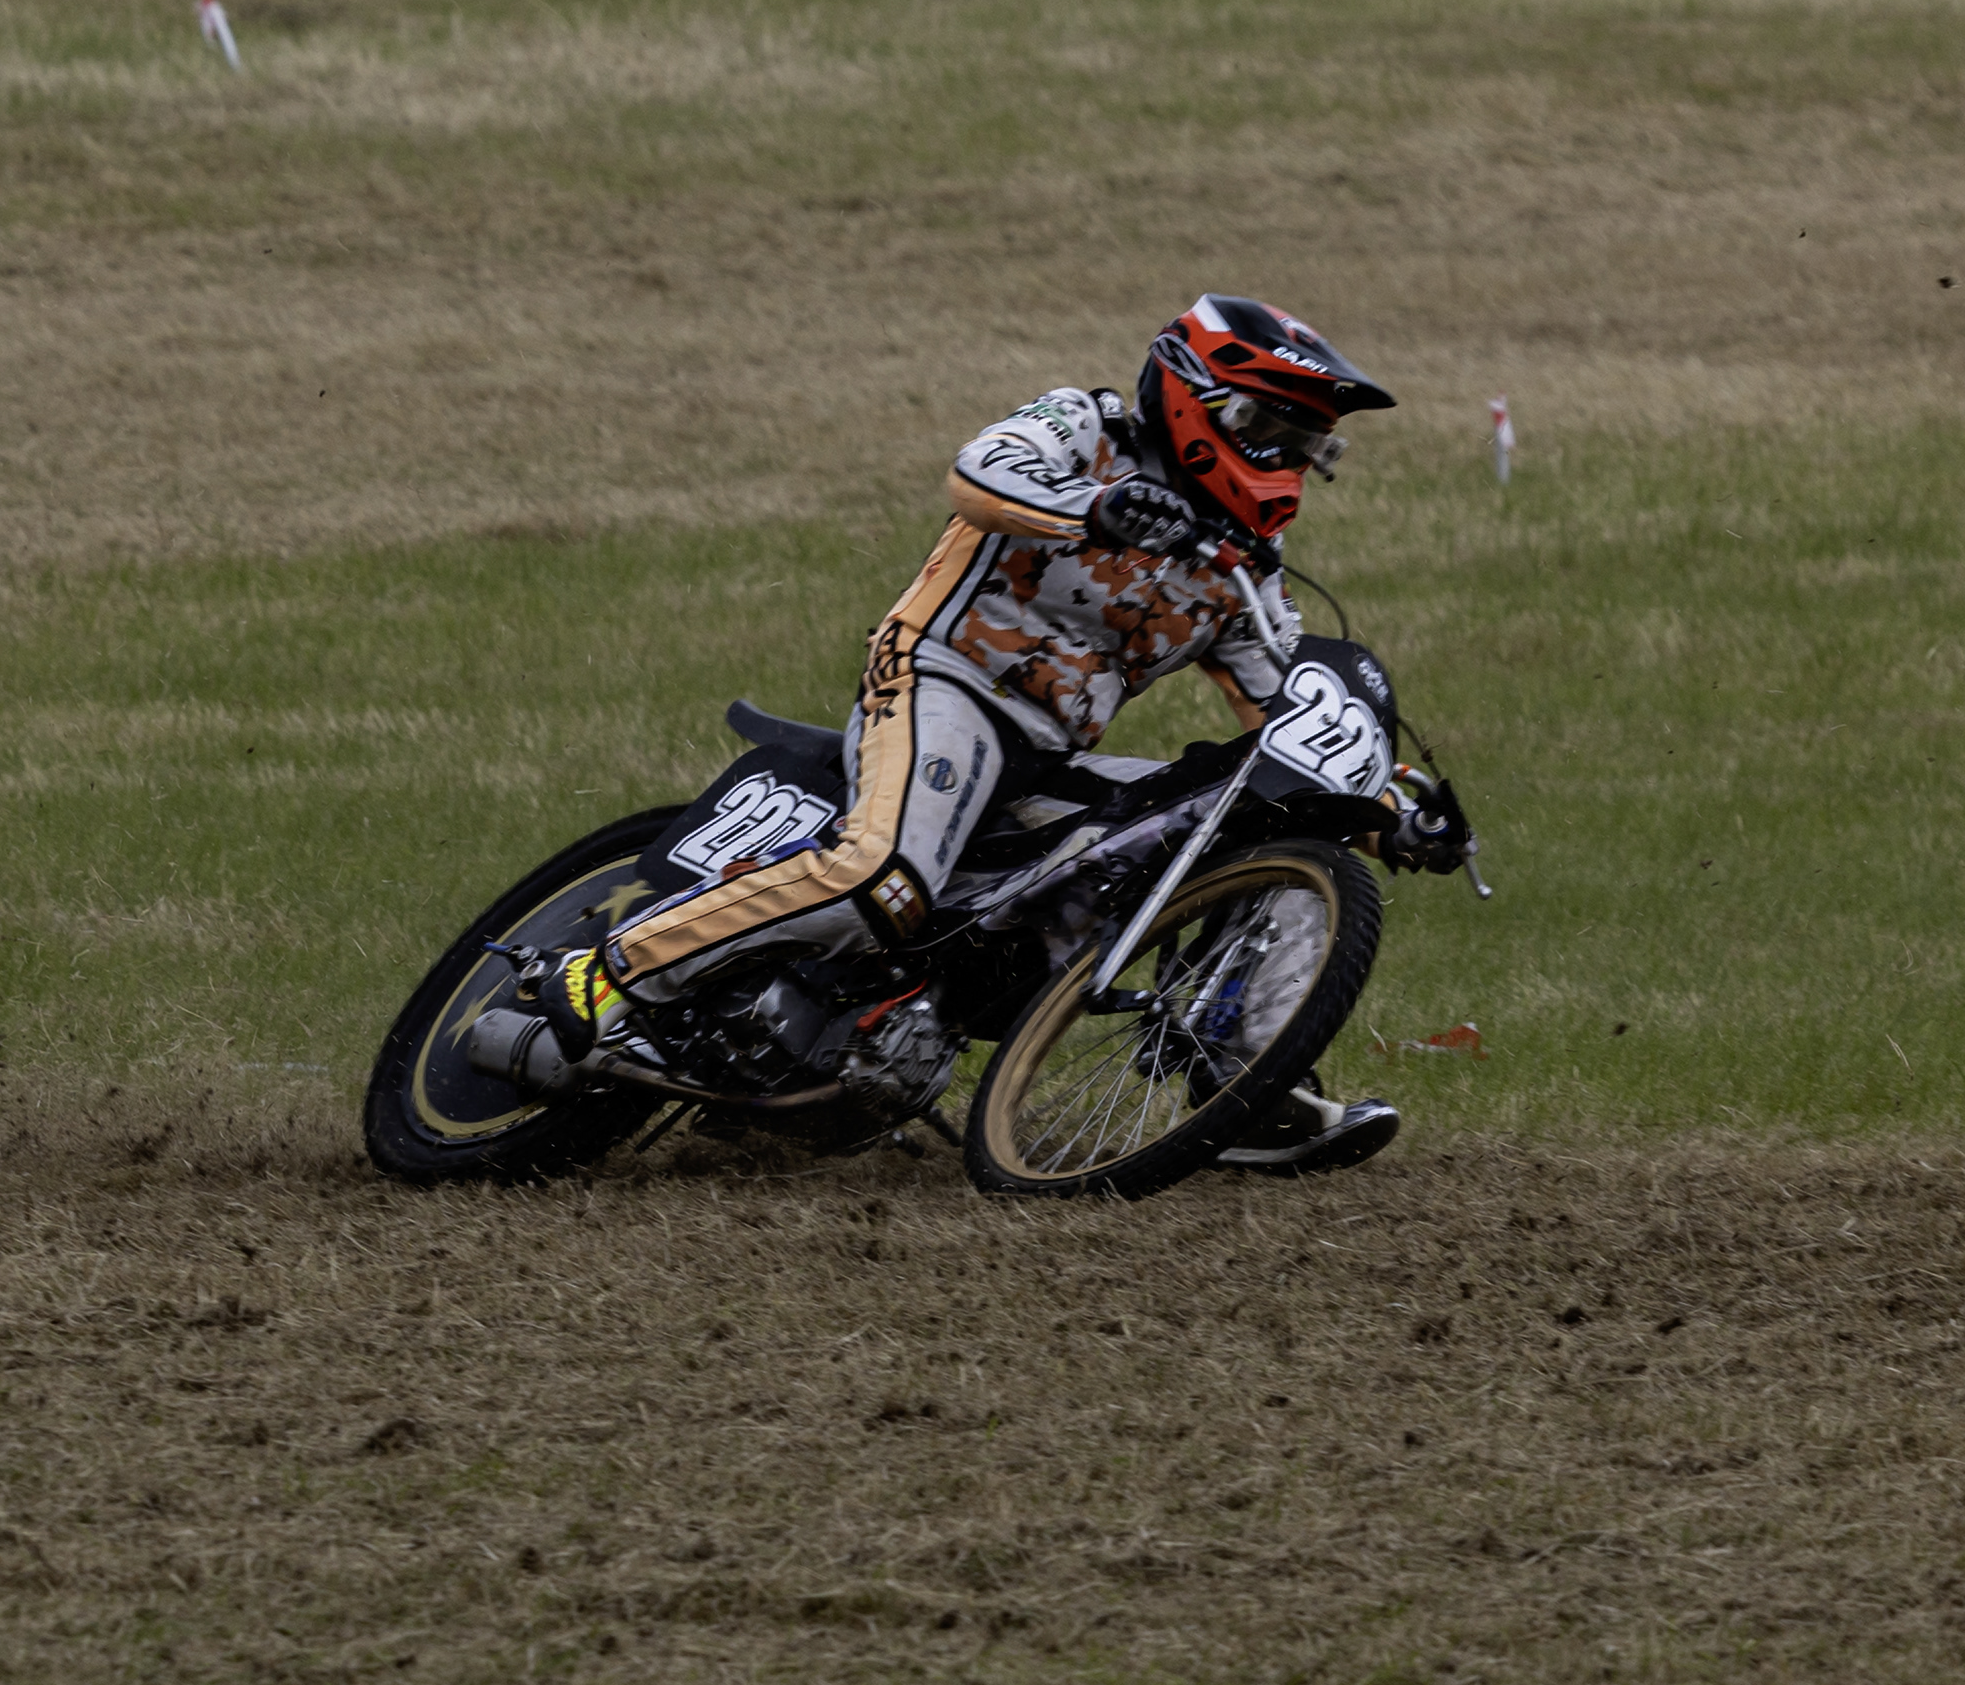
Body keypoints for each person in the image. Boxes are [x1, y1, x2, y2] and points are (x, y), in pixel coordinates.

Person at [518, 297, 1437, 1171]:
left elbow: (1287, 716)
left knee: (1256, 830)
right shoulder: (1085, 426)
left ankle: (1246, 1086)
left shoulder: (1241, 568)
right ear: (1196, 398)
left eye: (1306, 443)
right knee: (883, 881)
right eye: (1268, 427)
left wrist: (1389, 803)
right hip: (941, 680)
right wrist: (1096, 507)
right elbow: (978, 474)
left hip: (1051, 752)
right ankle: (609, 971)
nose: (1285, 457)